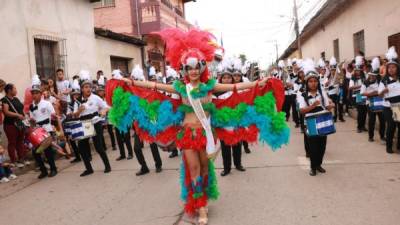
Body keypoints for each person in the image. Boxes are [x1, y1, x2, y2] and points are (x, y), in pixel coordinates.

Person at [107, 29, 285, 225]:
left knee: (205, 169)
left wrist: (259, 83)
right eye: (189, 67)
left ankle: (203, 200)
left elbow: (237, 88)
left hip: (206, 134)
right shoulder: (180, 88)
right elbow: (152, 86)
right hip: (187, 134)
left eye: (196, 66)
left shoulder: (211, 86)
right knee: (193, 169)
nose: (193, 71)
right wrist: (129, 82)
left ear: (201, 68)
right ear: (184, 69)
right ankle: (200, 208)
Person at [298, 58, 334, 176]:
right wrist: (312, 106)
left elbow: (327, 106)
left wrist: (331, 105)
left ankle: (318, 164)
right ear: (307, 83)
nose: (313, 83)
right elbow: (302, 111)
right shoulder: (302, 95)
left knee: (322, 146)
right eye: (310, 81)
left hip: (323, 120)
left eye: (315, 81)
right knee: (313, 147)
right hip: (311, 122)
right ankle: (313, 167)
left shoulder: (322, 92)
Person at [74, 70, 111, 176]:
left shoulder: (95, 98)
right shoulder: (78, 101)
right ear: (81, 89)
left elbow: (107, 107)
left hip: (95, 123)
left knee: (98, 146)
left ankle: (107, 165)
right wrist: (79, 111)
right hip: (84, 124)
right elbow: (75, 115)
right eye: (85, 87)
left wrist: (103, 111)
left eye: (89, 87)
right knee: (82, 147)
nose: (88, 89)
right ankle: (89, 169)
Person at [216, 61, 245, 176]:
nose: (227, 80)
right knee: (225, 148)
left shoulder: (237, 90)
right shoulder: (216, 93)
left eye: (229, 78)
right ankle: (226, 168)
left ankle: (238, 164)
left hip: (236, 122)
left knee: (238, 145)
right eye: (224, 78)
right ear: (221, 79)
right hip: (224, 124)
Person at [28, 75, 59, 179]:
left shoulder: (47, 103)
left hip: (47, 130)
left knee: (48, 151)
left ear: (40, 94)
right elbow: (32, 121)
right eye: (33, 93)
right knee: (36, 153)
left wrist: (55, 120)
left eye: (36, 93)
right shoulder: (31, 106)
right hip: (38, 132)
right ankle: (44, 170)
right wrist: (31, 122)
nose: (34, 95)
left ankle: (53, 169)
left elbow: (54, 116)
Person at [379, 46, 400, 154]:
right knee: (391, 125)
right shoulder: (384, 80)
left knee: (399, 125)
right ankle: (389, 146)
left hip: (397, 106)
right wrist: (384, 91)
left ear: (397, 68)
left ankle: (399, 146)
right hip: (387, 107)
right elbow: (380, 95)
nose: (391, 69)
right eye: (389, 67)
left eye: (393, 67)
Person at [1, 83, 27, 168]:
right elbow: (6, 112)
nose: (16, 90)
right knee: (12, 142)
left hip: (20, 124)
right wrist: (17, 115)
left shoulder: (16, 99)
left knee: (20, 141)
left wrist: (24, 115)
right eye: (14, 89)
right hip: (10, 125)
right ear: (9, 90)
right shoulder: (5, 100)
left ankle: (21, 158)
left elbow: (21, 108)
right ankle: (13, 160)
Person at [361, 57, 385, 143]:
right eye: (371, 75)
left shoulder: (381, 81)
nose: (373, 77)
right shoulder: (365, 82)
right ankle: (370, 136)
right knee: (372, 120)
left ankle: (382, 136)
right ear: (370, 74)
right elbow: (362, 93)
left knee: (382, 120)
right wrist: (372, 93)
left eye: (374, 75)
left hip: (380, 102)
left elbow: (382, 91)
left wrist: (377, 92)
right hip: (370, 103)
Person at [96, 76, 117, 151]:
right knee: (101, 132)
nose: (100, 92)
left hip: (109, 115)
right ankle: (103, 147)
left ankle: (114, 145)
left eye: (101, 91)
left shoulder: (108, 98)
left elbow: (110, 106)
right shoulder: (97, 99)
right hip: (101, 116)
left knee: (110, 131)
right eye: (99, 91)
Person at [350, 56, 367, 133]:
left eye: (359, 70)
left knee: (364, 111)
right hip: (358, 95)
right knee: (360, 111)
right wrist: (361, 85)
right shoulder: (353, 78)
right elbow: (350, 87)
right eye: (356, 70)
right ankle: (359, 127)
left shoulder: (365, 76)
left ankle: (363, 126)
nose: (358, 72)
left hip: (365, 95)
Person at [66, 78, 81, 163]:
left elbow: (79, 113)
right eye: (74, 95)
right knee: (72, 140)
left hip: (79, 122)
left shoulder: (81, 102)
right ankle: (77, 157)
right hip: (72, 123)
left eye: (77, 95)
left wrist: (75, 113)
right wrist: (70, 114)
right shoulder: (70, 104)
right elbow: (68, 113)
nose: (75, 96)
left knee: (82, 141)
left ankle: (87, 156)